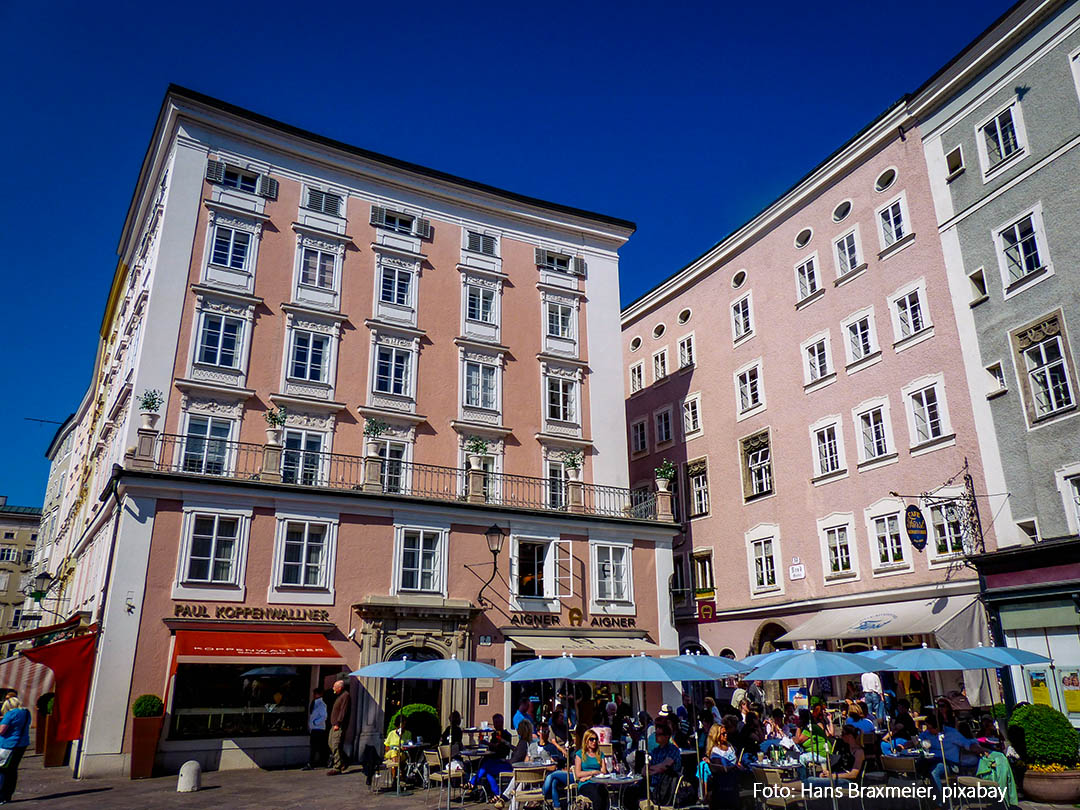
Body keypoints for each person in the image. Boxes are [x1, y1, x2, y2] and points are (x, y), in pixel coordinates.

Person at [625, 724, 682, 808]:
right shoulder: (655, 751)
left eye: (659, 734)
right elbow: (644, 771)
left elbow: (664, 766)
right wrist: (654, 769)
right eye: (656, 734)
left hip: (664, 788)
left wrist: (652, 769)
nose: (656, 736)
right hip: (650, 783)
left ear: (667, 736)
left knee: (634, 793)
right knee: (629, 791)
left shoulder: (673, 750)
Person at [804, 725, 864, 789]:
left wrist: (833, 776)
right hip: (839, 778)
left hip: (850, 782)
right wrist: (828, 773)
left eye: (843, 734)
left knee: (810, 781)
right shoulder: (844, 749)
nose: (841, 736)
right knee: (812, 779)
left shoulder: (858, 752)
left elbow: (853, 774)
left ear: (850, 736)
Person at [0, 695, 30, 804]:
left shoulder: (10, 714)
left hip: (9, 745)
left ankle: (1, 796)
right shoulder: (26, 712)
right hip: (22, 743)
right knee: (12, 770)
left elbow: (1, 730)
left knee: (3, 770)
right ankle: (8, 795)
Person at [573, 728, 610, 810]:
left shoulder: (600, 754)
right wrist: (593, 772)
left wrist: (589, 776)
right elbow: (578, 774)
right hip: (586, 784)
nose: (594, 741)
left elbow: (603, 771)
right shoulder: (579, 754)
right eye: (591, 739)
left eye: (596, 739)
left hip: (598, 782)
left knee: (604, 793)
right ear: (586, 740)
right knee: (596, 795)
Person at [326, 679, 350, 775]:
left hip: (338, 725)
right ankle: (344, 760)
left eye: (335, 687)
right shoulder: (339, 696)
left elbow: (343, 711)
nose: (333, 689)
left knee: (336, 744)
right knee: (330, 743)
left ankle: (337, 766)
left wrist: (338, 723)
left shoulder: (345, 696)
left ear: (340, 687)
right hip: (334, 724)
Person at [382, 713, 411, 783]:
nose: (403, 726)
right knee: (393, 752)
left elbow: (409, 745)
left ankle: (394, 778)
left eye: (404, 724)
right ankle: (399, 773)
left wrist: (404, 748)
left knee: (395, 755)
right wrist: (391, 748)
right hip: (390, 753)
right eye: (402, 724)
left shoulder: (408, 733)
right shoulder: (391, 733)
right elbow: (386, 746)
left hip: (401, 753)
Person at [303, 688, 327, 769]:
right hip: (314, 728)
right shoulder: (315, 703)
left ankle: (312, 763)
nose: (313, 695)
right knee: (317, 746)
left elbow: (324, 716)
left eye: (315, 694)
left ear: (319, 694)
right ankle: (320, 762)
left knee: (315, 747)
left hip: (318, 729)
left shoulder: (321, 704)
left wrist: (315, 723)